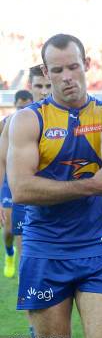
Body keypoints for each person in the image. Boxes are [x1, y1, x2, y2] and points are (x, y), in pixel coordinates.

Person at [8, 33, 102, 338]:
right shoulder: (29, 120)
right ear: (45, 71)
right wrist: (89, 186)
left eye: (73, 67)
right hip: (45, 250)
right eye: (57, 71)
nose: (67, 77)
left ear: (87, 65)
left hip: (96, 248)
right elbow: (22, 189)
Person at [0, 66, 51, 338]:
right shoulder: (17, 122)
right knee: (28, 267)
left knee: (46, 272)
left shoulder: (65, 117)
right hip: (21, 199)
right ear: (30, 86)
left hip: (56, 208)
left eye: (48, 85)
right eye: (39, 86)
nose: (44, 91)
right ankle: (35, 337)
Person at [1, 89, 33, 278]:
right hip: (8, 182)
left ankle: (26, 270)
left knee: (24, 231)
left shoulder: (36, 120)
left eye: (26, 106)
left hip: (27, 181)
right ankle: (9, 253)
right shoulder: (6, 124)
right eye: (20, 106)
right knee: (8, 230)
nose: (22, 109)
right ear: (15, 105)